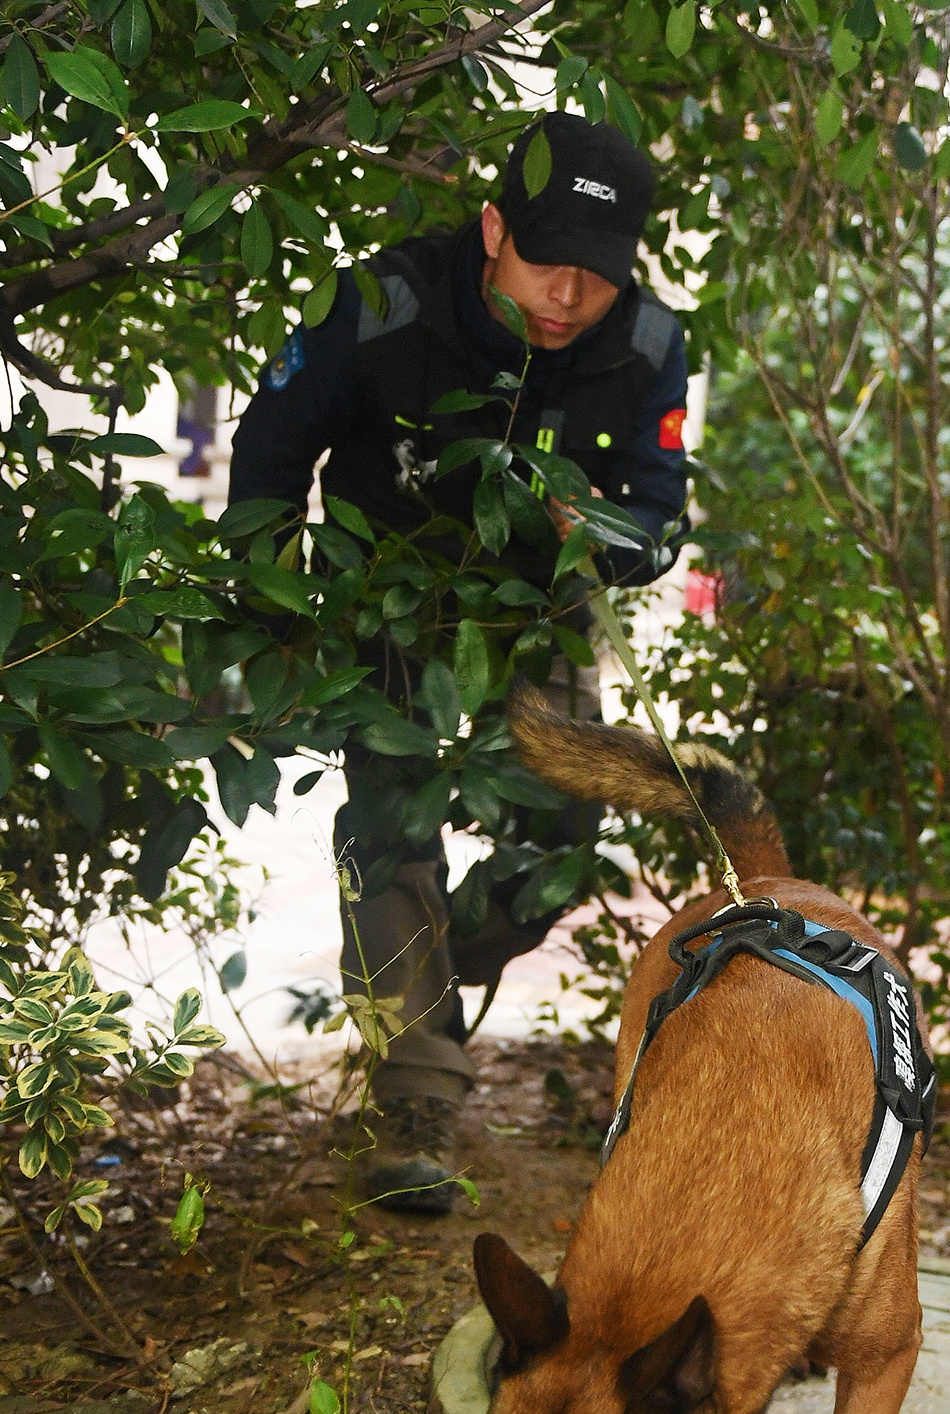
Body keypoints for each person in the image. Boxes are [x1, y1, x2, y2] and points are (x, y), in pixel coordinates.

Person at [227, 111, 691, 1210]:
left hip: (537, 613)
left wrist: (600, 534)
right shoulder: (381, 303)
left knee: (565, 834)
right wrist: (277, 611)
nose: (568, 298)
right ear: (493, 229)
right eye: (546, 263)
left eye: (596, 275)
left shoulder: (649, 344)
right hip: (386, 597)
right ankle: (414, 1103)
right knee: (389, 824)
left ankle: (440, 960)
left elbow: (662, 514)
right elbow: (268, 452)